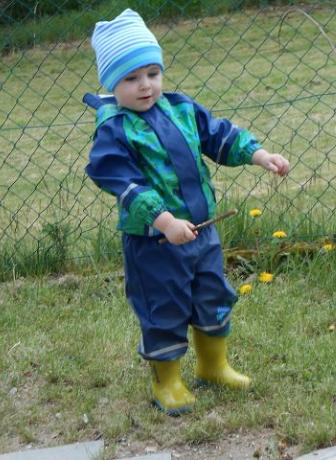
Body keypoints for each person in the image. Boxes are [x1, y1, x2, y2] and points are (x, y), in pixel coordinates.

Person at [84, 8, 289, 416]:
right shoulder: (114, 130)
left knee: (212, 293)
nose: (145, 85)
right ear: (111, 83)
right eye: (131, 78)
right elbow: (122, 182)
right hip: (155, 242)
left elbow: (219, 135)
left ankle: (214, 365)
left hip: (203, 232)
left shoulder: (180, 108)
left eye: (152, 73)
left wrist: (259, 154)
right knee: (164, 304)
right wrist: (163, 220)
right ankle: (168, 381)